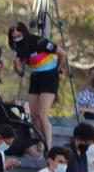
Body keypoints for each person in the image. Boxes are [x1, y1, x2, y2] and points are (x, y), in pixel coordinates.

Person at [5, 20, 62, 152]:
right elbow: (21, 72)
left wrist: (58, 67)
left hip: (49, 76)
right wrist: (16, 65)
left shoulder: (39, 42)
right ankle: (39, 141)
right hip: (36, 76)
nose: (17, 39)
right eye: (14, 37)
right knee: (34, 114)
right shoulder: (19, 48)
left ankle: (49, 145)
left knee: (42, 113)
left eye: (19, 36)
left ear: (25, 33)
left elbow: (62, 53)